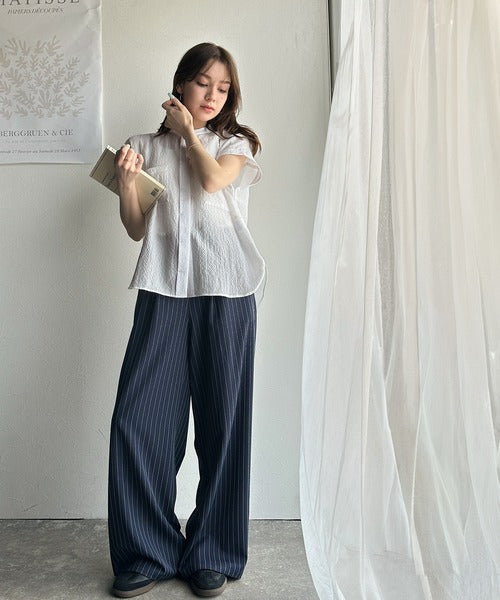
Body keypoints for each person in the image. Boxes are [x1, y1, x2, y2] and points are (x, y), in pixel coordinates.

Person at [107, 43, 265, 599]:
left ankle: (212, 552)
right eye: (203, 83)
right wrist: (127, 181)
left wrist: (190, 134)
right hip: (163, 290)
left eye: (223, 88)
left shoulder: (235, 144)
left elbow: (213, 182)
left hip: (227, 292)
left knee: (224, 423)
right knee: (138, 421)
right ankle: (146, 552)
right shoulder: (143, 147)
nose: (213, 95)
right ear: (180, 83)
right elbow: (135, 227)